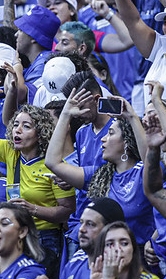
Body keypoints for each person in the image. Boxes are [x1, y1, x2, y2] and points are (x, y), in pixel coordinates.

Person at [0, 90, 74, 278]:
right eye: (15, 125)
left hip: (44, 240)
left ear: (41, 133)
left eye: (26, 126)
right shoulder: (11, 151)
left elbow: (67, 211)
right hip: (15, 236)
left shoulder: (54, 163)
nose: (17, 130)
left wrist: (33, 210)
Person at [45, 88, 152, 247]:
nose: (103, 139)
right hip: (104, 257)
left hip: (139, 258)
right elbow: (53, 163)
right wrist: (66, 115)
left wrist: (132, 117)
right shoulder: (101, 174)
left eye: (110, 133)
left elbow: (149, 160)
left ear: (127, 141)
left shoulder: (143, 173)